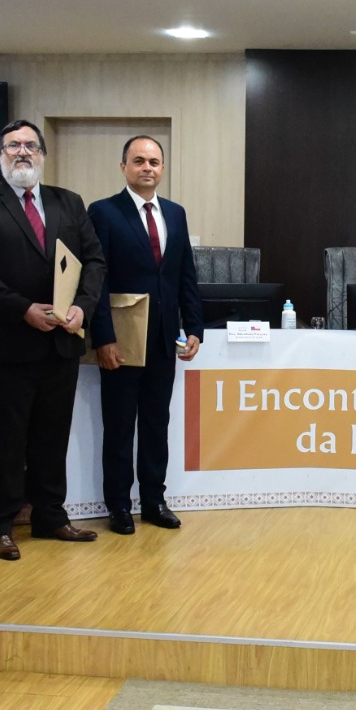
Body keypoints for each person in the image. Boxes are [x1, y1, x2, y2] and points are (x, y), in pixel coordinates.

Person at [0, 121, 106, 561]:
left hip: (62, 342)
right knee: (3, 440)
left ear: (43, 154)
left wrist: (83, 305)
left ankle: (50, 516)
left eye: (30, 146)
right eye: (13, 146)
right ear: (0, 153)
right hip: (9, 342)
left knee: (51, 435)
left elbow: (94, 261)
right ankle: (0, 525)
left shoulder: (69, 202)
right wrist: (22, 308)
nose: (22, 152)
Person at [89, 136, 204, 532]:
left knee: (156, 423)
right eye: (138, 161)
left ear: (162, 168)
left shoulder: (175, 213)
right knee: (119, 426)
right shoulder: (103, 212)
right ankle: (119, 506)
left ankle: (154, 500)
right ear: (124, 167)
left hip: (163, 340)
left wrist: (195, 326)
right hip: (122, 340)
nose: (147, 168)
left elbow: (184, 274)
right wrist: (103, 337)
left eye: (154, 161)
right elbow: (96, 281)